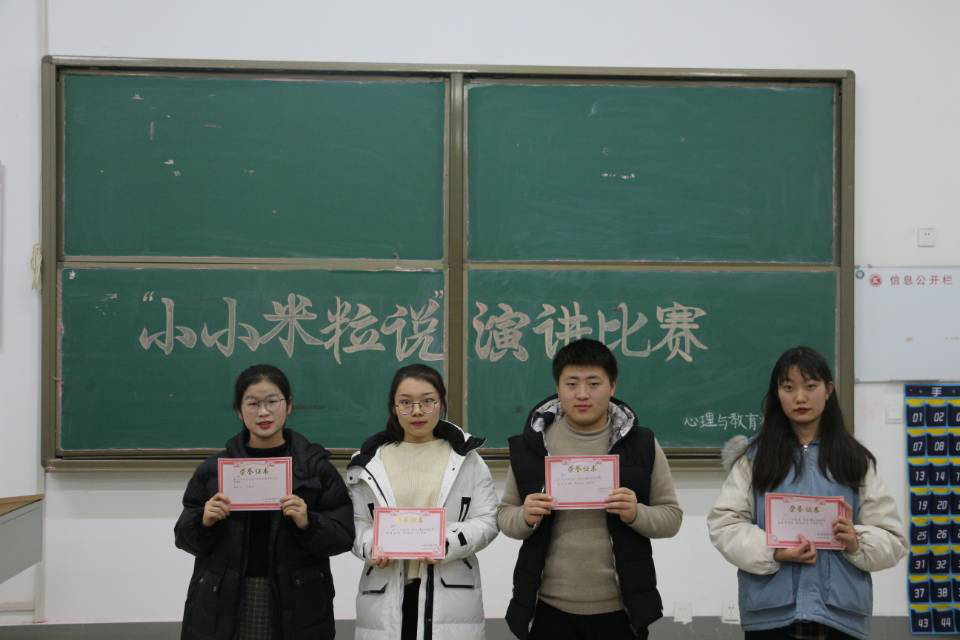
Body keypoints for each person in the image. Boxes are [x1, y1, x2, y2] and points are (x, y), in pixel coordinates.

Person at [707, 346, 906, 639]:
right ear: (777, 393)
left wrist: (856, 541)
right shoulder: (754, 458)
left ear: (828, 390)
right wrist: (775, 551)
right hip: (770, 615)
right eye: (789, 388)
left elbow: (893, 539)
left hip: (840, 615)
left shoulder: (854, 460)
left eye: (810, 386)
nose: (800, 397)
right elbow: (724, 525)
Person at [498, 338, 683, 640]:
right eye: (571, 384)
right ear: (558, 387)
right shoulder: (535, 444)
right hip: (547, 608)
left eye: (594, 383)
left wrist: (636, 513)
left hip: (623, 610)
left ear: (612, 386)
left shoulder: (641, 444)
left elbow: (671, 518)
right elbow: (505, 515)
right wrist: (525, 516)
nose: (582, 394)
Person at [175, 364, 354, 640]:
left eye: (272, 401)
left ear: (289, 405)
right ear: (239, 410)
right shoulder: (215, 470)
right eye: (253, 404)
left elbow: (343, 537)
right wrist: (204, 521)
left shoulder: (314, 468)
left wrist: (309, 523)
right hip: (226, 597)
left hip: (298, 598)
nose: (263, 412)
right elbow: (184, 539)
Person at [346, 364, 499, 640]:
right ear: (393, 407)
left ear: (441, 404)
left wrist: (447, 542)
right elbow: (356, 522)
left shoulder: (467, 460)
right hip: (385, 591)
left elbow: (487, 520)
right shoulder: (369, 462)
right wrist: (371, 545)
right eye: (406, 403)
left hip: (450, 594)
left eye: (427, 401)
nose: (417, 411)